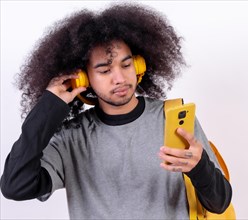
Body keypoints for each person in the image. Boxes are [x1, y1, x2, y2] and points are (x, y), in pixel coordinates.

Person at [0, 3, 232, 219]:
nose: (119, 78)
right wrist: (49, 106)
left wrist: (199, 168)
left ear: (139, 64)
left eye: (126, 64)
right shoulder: (70, 139)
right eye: (104, 70)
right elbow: (15, 185)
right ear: (83, 77)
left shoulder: (175, 119)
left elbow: (219, 203)